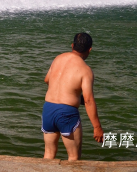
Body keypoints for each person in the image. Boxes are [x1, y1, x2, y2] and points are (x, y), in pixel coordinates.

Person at [42, 32, 104, 161]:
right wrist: (97, 127)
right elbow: (88, 100)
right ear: (89, 49)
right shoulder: (85, 70)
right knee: (74, 158)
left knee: (48, 155)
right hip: (66, 113)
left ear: (72, 45)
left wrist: (69, 92)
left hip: (48, 109)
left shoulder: (58, 58)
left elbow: (47, 79)